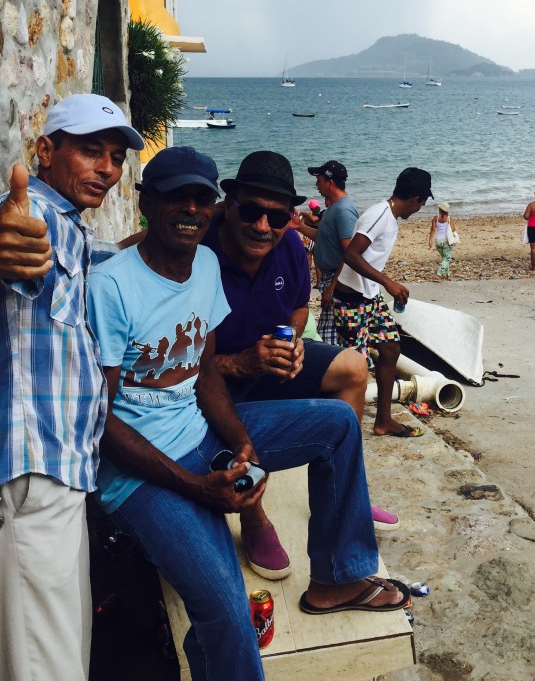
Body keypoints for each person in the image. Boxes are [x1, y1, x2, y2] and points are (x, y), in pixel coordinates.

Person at [86, 147, 411, 681]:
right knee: (230, 613)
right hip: (140, 472)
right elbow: (99, 420)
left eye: (199, 198)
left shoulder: (206, 264)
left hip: (202, 429)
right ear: (146, 202)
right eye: (175, 197)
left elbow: (205, 370)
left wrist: (242, 444)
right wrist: (199, 487)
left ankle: (337, 577)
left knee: (338, 422)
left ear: (212, 207)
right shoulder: (113, 287)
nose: (190, 209)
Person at [0, 93, 144, 681]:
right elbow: (20, 250)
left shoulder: (71, 229)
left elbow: (95, 259)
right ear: (45, 151)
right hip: (37, 471)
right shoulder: (30, 217)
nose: (108, 169)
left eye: (115, 156)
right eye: (91, 151)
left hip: (63, 472)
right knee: (47, 665)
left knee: (60, 650)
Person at [200, 150, 396, 578]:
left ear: (291, 215)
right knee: (227, 415)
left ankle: (343, 494)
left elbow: (298, 308)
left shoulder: (288, 245)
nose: (262, 226)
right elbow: (184, 362)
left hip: (269, 363)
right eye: (250, 211)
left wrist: (292, 342)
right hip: (216, 377)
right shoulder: (199, 248)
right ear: (228, 206)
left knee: (353, 368)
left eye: (277, 216)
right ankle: (254, 520)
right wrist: (243, 362)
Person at [333, 167, 433, 439]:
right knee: (354, 369)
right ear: (415, 198)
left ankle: (383, 421)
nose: (421, 208)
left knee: (390, 349)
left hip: (369, 297)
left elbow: (355, 255)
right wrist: (388, 282)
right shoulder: (379, 214)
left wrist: (381, 286)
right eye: (423, 202)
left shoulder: (389, 217)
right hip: (352, 302)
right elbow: (352, 255)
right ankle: (345, 432)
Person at [297, 159, 359, 345]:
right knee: (327, 331)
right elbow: (323, 237)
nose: (316, 183)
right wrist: (299, 226)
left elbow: (351, 254)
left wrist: (332, 287)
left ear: (330, 182)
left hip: (337, 280)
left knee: (329, 336)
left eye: (319, 179)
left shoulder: (344, 210)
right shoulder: (334, 207)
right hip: (330, 278)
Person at [428, 201, 458, 280]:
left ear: (440, 209)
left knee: (444, 258)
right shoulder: (448, 218)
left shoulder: (435, 218)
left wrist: (430, 240)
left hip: (438, 241)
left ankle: (448, 274)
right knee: (447, 258)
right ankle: (439, 274)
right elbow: (453, 229)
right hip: (446, 241)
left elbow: (433, 230)